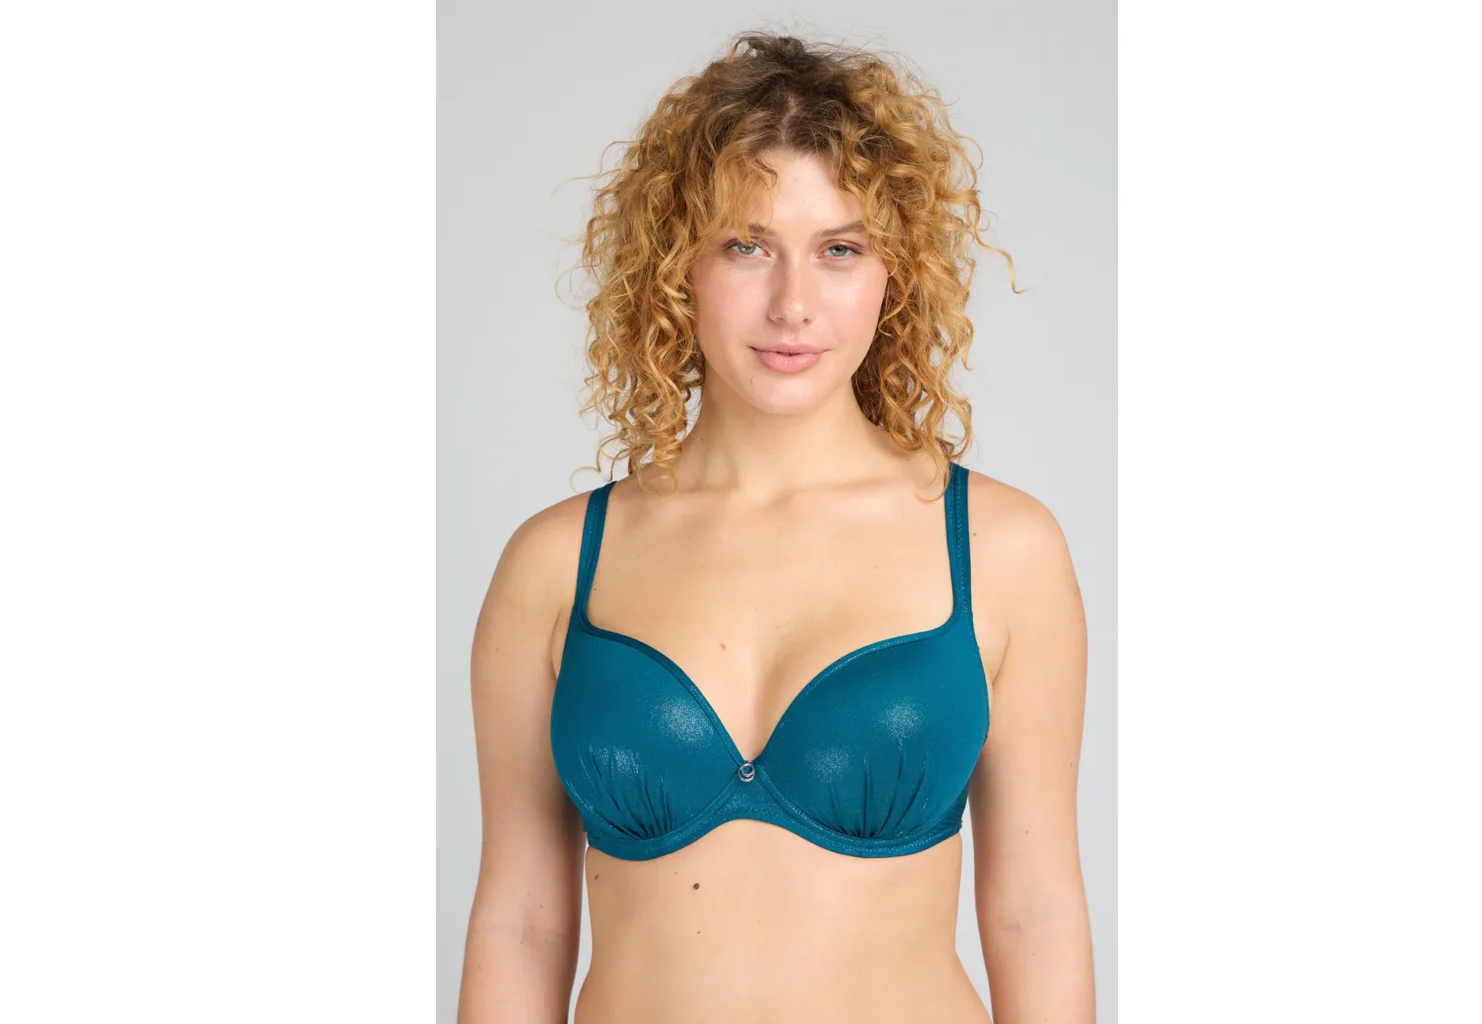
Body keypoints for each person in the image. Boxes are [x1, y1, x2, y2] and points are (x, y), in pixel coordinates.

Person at [458, 31, 1094, 1023]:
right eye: (746, 246)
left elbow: (1034, 916)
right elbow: (522, 923)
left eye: (840, 249)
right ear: (676, 264)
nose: (793, 304)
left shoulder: (1003, 548)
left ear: (894, 273)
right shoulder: (554, 565)